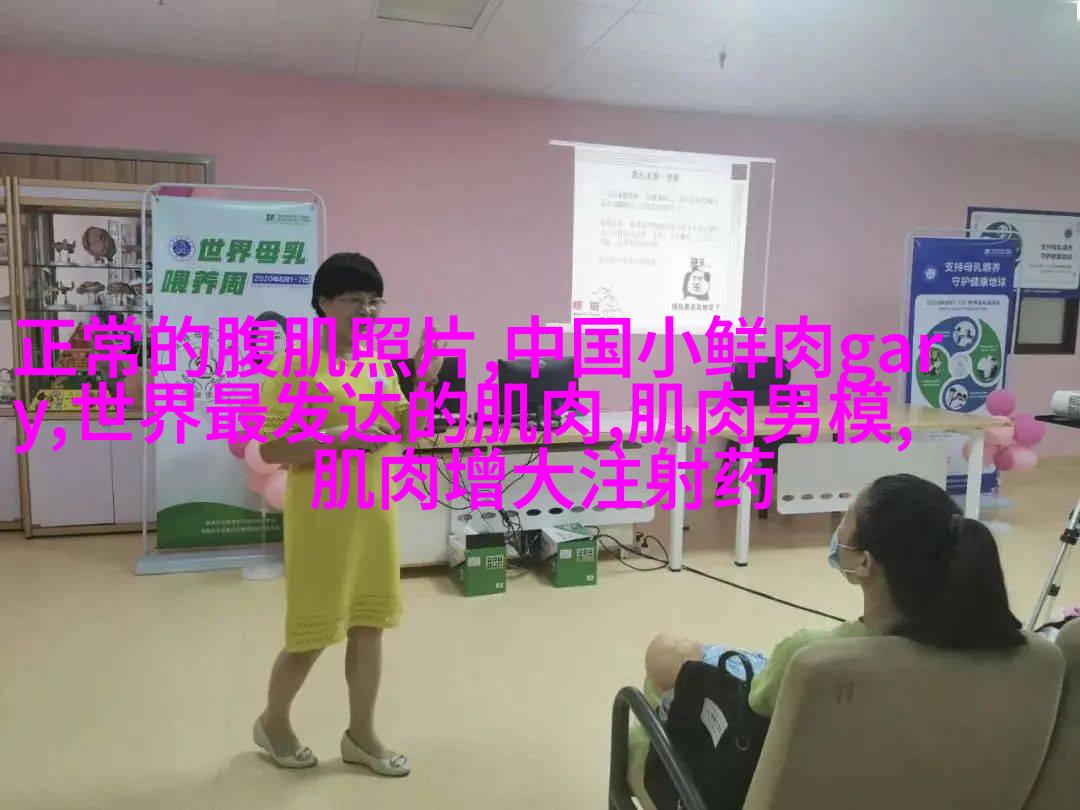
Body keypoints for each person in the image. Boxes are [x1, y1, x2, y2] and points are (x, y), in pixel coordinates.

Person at [253, 253, 443, 776]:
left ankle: (361, 735)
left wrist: (424, 384)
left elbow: (407, 430)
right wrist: (335, 438)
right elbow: (271, 449)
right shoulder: (293, 364)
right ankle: (273, 722)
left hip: (372, 513)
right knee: (312, 634)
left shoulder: (376, 363)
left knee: (368, 626)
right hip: (322, 520)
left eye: (375, 301)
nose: (368, 311)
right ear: (323, 302)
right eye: (355, 299)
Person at [644, 473, 1024, 731]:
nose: (838, 527)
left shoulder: (813, 658)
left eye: (846, 517)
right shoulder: (1027, 658)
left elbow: (753, 711)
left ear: (864, 562)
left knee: (663, 661)